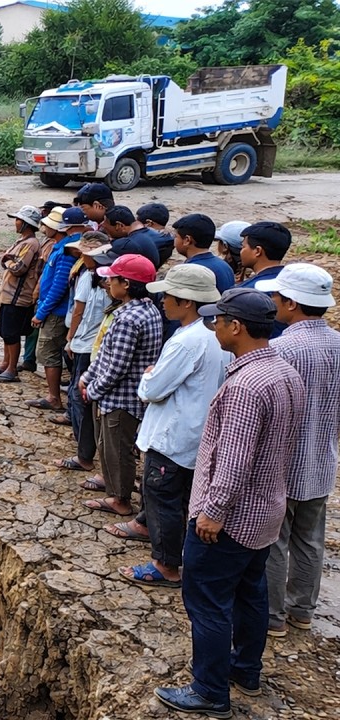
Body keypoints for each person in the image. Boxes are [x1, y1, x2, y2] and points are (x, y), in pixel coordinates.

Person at [155, 288, 305, 718]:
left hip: (230, 518)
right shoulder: (282, 371)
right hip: (264, 513)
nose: (213, 327)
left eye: (216, 321)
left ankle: (209, 691)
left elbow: (234, 459)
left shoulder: (245, 386)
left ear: (235, 327)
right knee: (250, 593)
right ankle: (245, 671)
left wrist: (213, 513)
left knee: (207, 602)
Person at [116, 264, 228, 587]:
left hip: (173, 436)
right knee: (181, 501)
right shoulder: (214, 335)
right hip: (198, 434)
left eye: (168, 296)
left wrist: (149, 375)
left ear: (187, 302)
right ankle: (180, 558)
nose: (163, 301)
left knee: (162, 497)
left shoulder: (185, 342)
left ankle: (165, 565)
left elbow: (151, 390)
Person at [257, 263, 340, 637]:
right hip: (322, 460)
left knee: (275, 541)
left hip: (282, 463)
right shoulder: (338, 344)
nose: (273, 302)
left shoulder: (281, 348)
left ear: (290, 304)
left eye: (276, 297)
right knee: (310, 539)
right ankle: (302, 609)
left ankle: (272, 616)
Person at [79, 254, 162, 518]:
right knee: (112, 447)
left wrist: (92, 390)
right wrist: (87, 376)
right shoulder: (145, 310)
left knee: (117, 450)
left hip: (120, 397)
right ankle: (115, 491)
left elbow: (116, 366)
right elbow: (106, 354)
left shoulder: (128, 319)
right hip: (122, 394)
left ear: (125, 284)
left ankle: (120, 500)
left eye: (112, 279)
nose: (107, 283)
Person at [59, 234, 113, 472]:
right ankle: (85, 450)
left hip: (85, 345)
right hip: (93, 346)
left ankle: (84, 455)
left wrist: (70, 339)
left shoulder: (91, 278)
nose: (81, 256)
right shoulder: (102, 278)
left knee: (79, 396)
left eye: (85, 253)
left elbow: (79, 311)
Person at [27, 208, 79, 412]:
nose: (43, 228)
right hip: (55, 309)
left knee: (49, 352)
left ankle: (54, 397)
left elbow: (59, 285)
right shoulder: (61, 246)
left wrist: (41, 312)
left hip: (56, 311)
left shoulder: (66, 251)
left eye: (47, 224)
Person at [0, 205, 43, 383]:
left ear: (25, 224)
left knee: (11, 333)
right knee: (5, 332)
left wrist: (6, 262)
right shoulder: (24, 242)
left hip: (18, 296)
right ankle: (5, 363)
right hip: (10, 295)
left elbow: (18, 267)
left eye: (18, 220)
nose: (15, 223)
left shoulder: (30, 244)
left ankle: (11, 368)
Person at [236, 221, 292, 338]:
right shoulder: (293, 281)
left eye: (243, 246)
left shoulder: (245, 292)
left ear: (257, 251)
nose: (241, 251)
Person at [173, 214, 236, 293]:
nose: (174, 241)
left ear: (187, 240)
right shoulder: (225, 266)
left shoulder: (188, 271)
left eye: (175, 236)